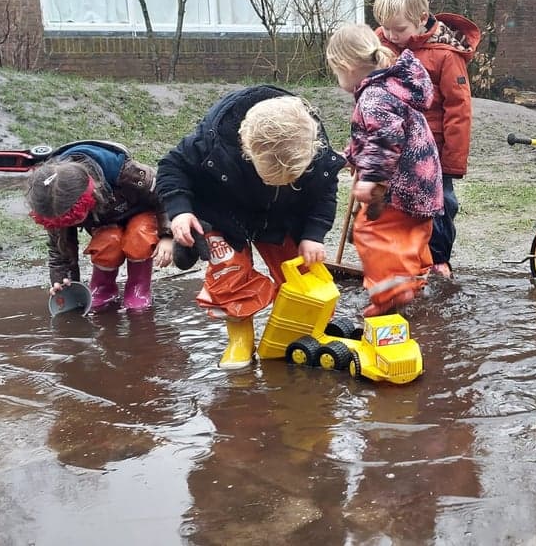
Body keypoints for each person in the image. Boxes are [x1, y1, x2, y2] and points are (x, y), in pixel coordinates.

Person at [156, 86, 345, 371]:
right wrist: (180, 211)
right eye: (272, 177)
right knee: (229, 272)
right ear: (246, 146)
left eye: (289, 178)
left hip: (283, 216)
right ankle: (240, 337)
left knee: (302, 272)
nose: (278, 182)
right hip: (225, 211)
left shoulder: (314, 150)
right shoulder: (214, 140)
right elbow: (171, 167)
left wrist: (313, 235)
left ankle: (299, 328)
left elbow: (325, 194)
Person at [327, 23, 445, 317]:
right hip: (424, 184)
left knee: (369, 230)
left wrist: (372, 179)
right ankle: (414, 282)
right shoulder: (393, 86)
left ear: (343, 65)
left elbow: (385, 138)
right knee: (411, 235)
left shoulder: (374, 97)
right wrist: (348, 157)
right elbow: (372, 136)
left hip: (399, 185)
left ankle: (392, 291)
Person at [373, 0, 481, 279]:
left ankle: (437, 258)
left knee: (440, 204)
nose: (392, 35)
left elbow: (458, 110)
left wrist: (452, 161)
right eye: (386, 27)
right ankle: (397, 258)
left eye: (400, 29)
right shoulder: (381, 45)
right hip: (392, 145)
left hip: (432, 150)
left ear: (421, 19)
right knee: (391, 201)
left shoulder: (446, 55)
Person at [25, 140, 173, 313]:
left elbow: (164, 194)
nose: (68, 225)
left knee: (138, 235)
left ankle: (138, 287)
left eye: (73, 219)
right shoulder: (54, 203)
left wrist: (167, 236)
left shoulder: (127, 173)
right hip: (105, 225)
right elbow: (61, 250)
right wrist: (65, 283)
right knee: (108, 241)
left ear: (89, 196)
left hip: (142, 214)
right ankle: (103, 288)